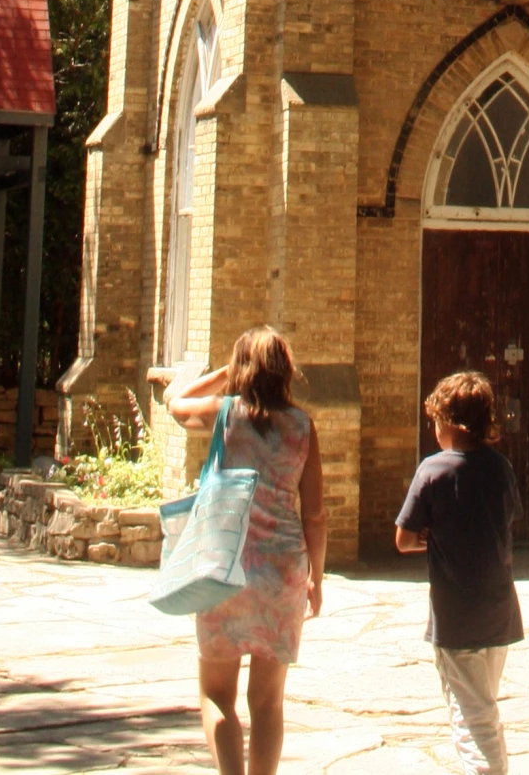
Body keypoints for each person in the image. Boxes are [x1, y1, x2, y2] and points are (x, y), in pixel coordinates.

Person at [166, 330, 325, 775]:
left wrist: (223, 375)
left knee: (216, 694)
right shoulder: (301, 426)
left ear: (242, 371)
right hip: (282, 572)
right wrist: (317, 577)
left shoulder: (224, 416)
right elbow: (315, 515)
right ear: (286, 372)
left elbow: (175, 402)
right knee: (269, 703)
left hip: (224, 568)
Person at [395, 371, 523, 775]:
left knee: (471, 717)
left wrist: (428, 537)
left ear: (449, 422)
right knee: (484, 705)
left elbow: (403, 538)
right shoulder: (500, 467)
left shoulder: (433, 471)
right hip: (499, 612)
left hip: (456, 617)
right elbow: (508, 518)